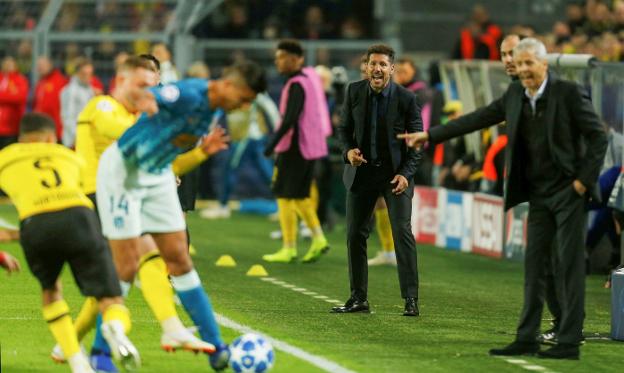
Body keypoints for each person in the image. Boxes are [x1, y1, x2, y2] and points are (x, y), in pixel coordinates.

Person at [399, 38, 608, 359]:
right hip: (538, 193)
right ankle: (527, 337)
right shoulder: (514, 95)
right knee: (535, 266)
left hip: (569, 193)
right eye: (519, 64)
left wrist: (582, 181)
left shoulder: (567, 93)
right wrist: (430, 135)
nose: (523, 69)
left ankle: (568, 342)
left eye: (528, 63)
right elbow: (478, 118)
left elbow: (598, 136)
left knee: (568, 266)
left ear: (543, 64)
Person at [96, 60, 266, 371]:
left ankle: (217, 348)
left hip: (157, 174)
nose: (243, 106)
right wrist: (145, 99)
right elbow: (139, 92)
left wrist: (194, 155)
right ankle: (100, 353)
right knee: (126, 266)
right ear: (229, 85)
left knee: (179, 258)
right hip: (122, 173)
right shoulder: (189, 93)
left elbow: (172, 140)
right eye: (244, 98)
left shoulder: (214, 110)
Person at [67, 56, 215, 371]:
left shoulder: (135, 113)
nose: (151, 91)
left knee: (130, 268)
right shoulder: (104, 106)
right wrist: (160, 130)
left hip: (122, 192)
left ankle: (77, 342)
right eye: (144, 84)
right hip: (95, 193)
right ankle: (160, 329)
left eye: (155, 84)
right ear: (123, 80)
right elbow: (120, 132)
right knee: (129, 268)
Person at [0, 113, 141, 372]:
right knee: (110, 299)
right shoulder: (69, 156)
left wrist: (8, 237)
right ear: (51, 138)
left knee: (52, 291)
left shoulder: (6, 156)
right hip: (80, 217)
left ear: (21, 138)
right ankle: (116, 329)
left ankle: (78, 363)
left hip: (35, 224)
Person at [333, 44, 421, 316]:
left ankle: (411, 300)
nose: (378, 69)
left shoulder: (406, 98)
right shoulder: (354, 91)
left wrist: (405, 175)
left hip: (395, 176)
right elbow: (344, 130)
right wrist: (348, 152)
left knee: (401, 232)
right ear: (367, 67)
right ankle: (358, 299)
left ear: (392, 69)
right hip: (363, 173)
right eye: (373, 64)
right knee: (354, 235)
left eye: (383, 64)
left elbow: (417, 142)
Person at [262, 39, 331, 264]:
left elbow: (290, 118)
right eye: (277, 58)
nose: (278, 62)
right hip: (308, 147)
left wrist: (272, 145)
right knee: (298, 195)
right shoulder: (308, 80)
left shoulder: (297, 84)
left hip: (295, 148)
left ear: (295, 59)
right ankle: (317, 239)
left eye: (282, 57)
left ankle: (289, 247)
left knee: (284, 194)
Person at [60, 58, 98, 148]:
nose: (87, 77)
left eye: (90, 74)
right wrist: (78, 136)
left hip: (87, 139)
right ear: (77, 73)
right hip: (73, 141)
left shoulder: (90, 90)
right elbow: (67, 117)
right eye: (84, 74)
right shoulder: (70, 91)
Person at [32, 56, 68, 140]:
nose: (40, 68)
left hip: (54, 127)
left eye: (42, 65)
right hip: (41, 126)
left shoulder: (59, 81)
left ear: (50, 65)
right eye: (38, 66)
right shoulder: (41, 82)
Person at [0, 56, 28, 150]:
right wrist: (7, 96)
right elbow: (11, 97)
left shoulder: (19, 80)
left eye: (10, 64)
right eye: (5, 63)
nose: (7, 66)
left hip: (11, 128)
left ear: (15, 66)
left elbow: (19, 97)